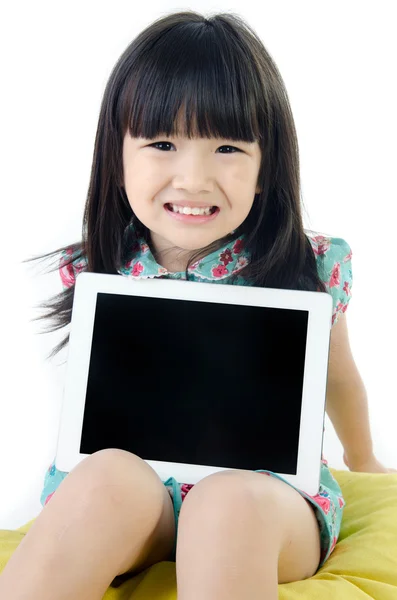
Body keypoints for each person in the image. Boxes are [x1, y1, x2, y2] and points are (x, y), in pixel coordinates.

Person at [1, 9, 395, 600]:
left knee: (226, 500)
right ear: (118, 157)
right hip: (145, 500)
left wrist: (363, 458)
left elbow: (336, 376)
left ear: (267, 168)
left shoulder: (305, 266)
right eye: (162, 143)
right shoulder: (100, 265)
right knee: (107, 474)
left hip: (266, 501)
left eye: (228, 147)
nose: (192, 177)